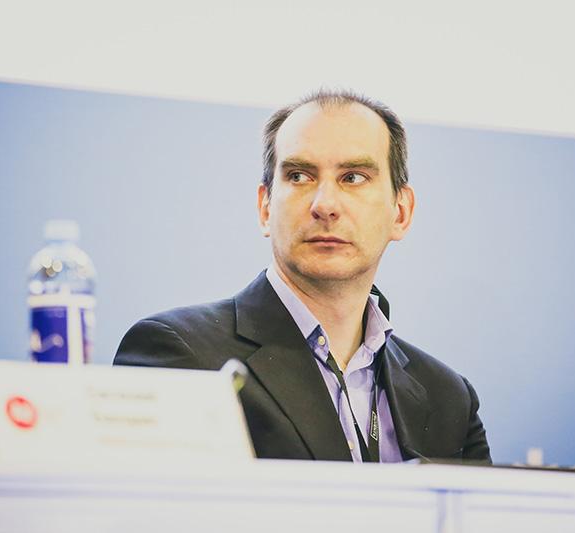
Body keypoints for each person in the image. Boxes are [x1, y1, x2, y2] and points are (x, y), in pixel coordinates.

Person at [114, 90, 491, 463]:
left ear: (401, 212)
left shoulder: (449, 398)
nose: (325, 205)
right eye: (299, 176)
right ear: (265, 207)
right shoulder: (180, 355)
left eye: (353, 177)